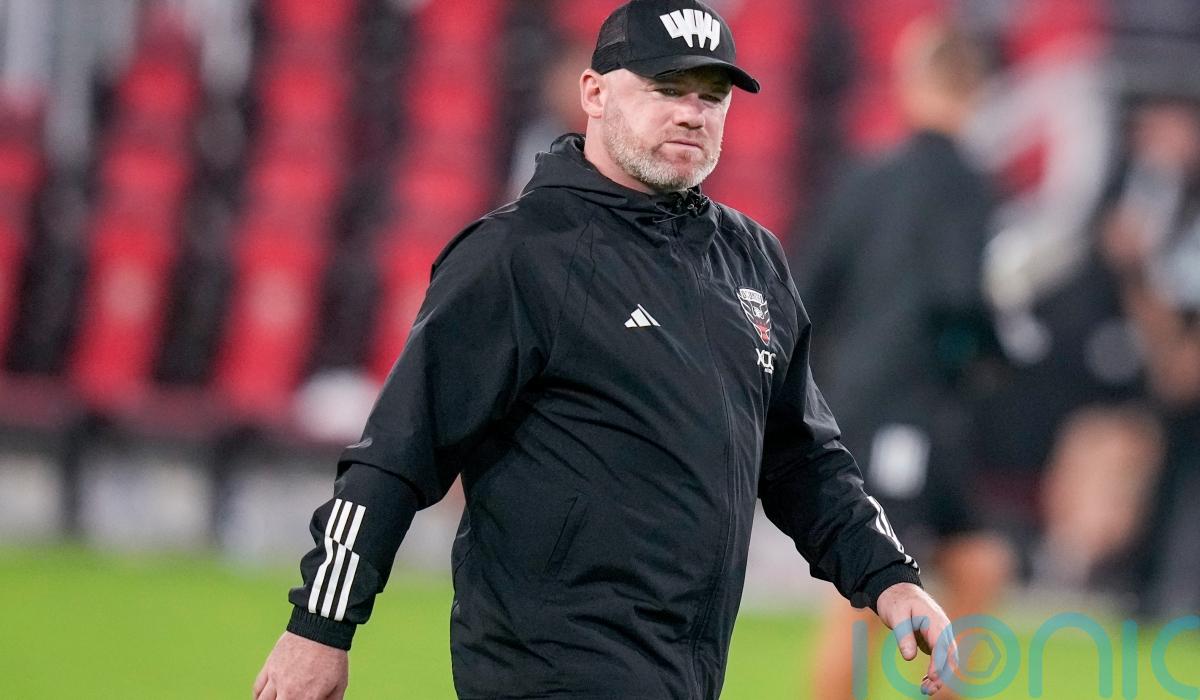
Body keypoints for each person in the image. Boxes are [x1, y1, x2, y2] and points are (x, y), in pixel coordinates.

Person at [254, 2, 955, 698]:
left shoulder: (751, 260)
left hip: (684, 678)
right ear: (593, 92)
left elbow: (803, 459)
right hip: (546, 675)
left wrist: (888, 579)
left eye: (712, 96)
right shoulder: (518, 255)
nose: (693, 113)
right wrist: (319, 627)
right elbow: (395, 455)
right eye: (666, 88)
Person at [797, 19, 1012, 700]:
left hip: (869, 405)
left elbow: (806, 292)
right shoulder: (965, 183)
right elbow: (958, 294)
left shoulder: (863, 177)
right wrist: (993, 350)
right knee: (870, 589)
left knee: (980, 562)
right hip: (905, 413)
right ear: (977, 91)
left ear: (911, 81)